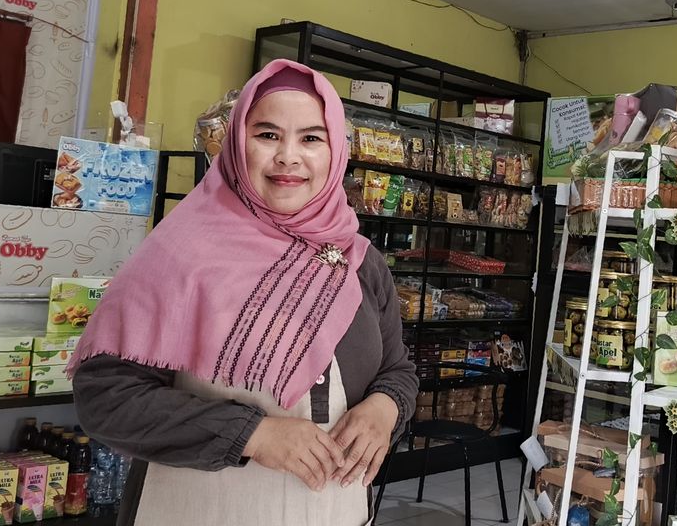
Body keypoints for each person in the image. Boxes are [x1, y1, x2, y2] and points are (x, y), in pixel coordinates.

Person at [70, 59, 417, 526]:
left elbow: (397, 368)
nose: (289, 157)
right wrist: (254, 435)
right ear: (237, 142)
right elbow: (107, 398)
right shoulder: (180, 253)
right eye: (268, 134)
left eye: (311, 138)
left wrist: (385, 406)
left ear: (336, 151)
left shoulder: (358, 260)